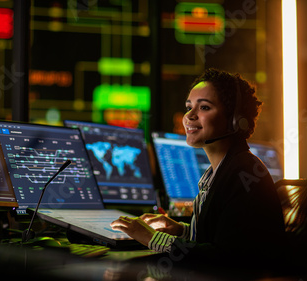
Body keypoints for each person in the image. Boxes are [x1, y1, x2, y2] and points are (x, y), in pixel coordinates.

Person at [111, 68, 288, 271]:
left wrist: (152, 237)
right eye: (189, 107)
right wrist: (181, 231)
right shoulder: (219, 172)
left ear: (234, 119)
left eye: (204, 107)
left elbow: (224, 258)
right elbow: (221, 237)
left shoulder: (243, 174)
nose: (189, 116)